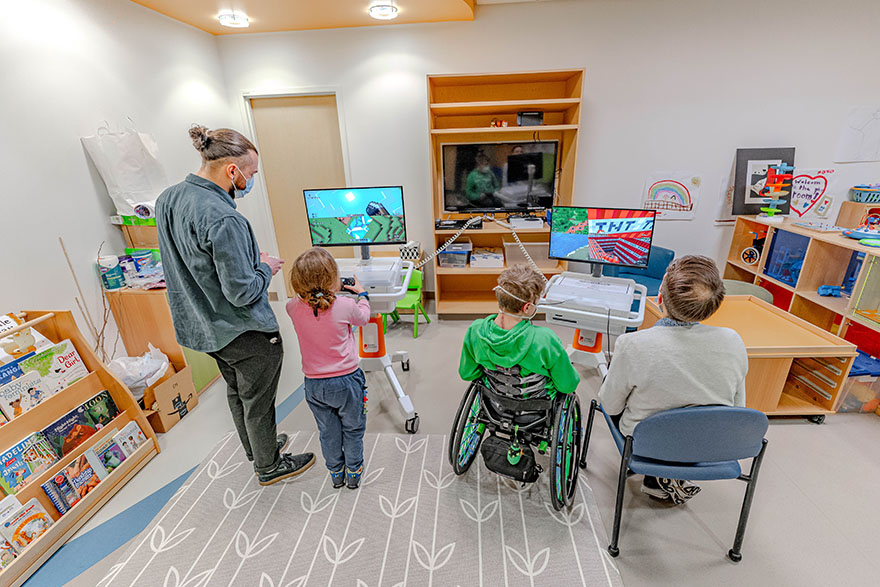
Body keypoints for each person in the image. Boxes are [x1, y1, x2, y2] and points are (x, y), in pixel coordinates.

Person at [156, 125, 315, 486]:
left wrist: (245, 262)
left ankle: (257, 449)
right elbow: (243, 292)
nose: (251, 180)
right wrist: (266, 267)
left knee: (237, 391)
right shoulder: (225, 217)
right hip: (243, 330)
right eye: (252, 173)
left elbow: (194, 261)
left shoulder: (168, 199)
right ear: (233, 170)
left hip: (204, 326)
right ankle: (270, 466)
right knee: (257, 400)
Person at [598, 255, 747, 504]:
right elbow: (738, 407)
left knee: (613, 396)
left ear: (659, 299)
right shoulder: (733, 340)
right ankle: (666, 476)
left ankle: (658, 472)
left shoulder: (632, 344)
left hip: (647, 444)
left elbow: (611, 405)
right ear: (714, 306)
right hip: (710, 444)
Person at [287, 247, 370, 489]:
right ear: (333, 278)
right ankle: (354, 473)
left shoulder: (292, 308)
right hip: (347, 382)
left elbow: (309, 304)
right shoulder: (345, 305)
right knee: (353, 428)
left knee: (328, 431)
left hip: (314, 384)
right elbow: (363, 318)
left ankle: (336, 473)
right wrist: (363, 294)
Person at [459, 265, 580, 399]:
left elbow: (468, 373)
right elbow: (567, 385)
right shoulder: (545, 339)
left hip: (494, 405)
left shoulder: (475, 330)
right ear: (527, 307)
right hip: (535, 410)